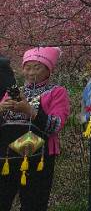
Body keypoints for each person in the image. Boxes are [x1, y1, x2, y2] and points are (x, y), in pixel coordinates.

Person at [0, 46, 71, 211]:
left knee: (33, 202)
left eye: (37, 68)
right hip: (7, 155)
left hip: (38, 156)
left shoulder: (57, 92)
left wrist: (29, 110)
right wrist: (1, 108)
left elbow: (56, 125)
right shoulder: (14, 92)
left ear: (48, 70)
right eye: (27, 67)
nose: (31, 72)